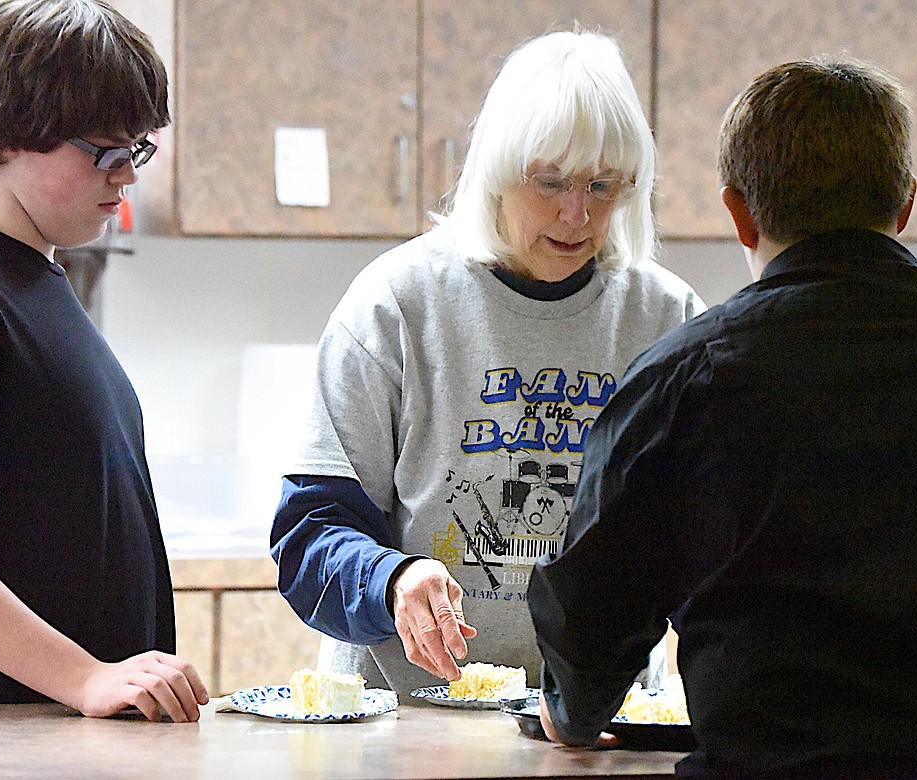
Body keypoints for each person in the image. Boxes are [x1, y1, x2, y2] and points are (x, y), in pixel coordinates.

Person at [528, 56, 917, 779]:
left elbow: (594, 608)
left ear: (738, 212)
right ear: (905, 204)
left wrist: (573, 711)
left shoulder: (682, 383)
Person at [270, 29, 704, 698]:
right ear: (499, 171)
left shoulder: (666, 319)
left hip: (597, 722)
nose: (576, 213)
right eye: (550, 181)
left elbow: (704, 537)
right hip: (404, 716)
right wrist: (391, 580)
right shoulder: (397, 305)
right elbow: (309, 536)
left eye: (602, 185)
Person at [0, 0, 208, 721]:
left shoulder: (42, 286)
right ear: (7, 136)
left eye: (138, 149)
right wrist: (83, 677)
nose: (128, 175)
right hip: (12, 736)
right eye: (108, 152)